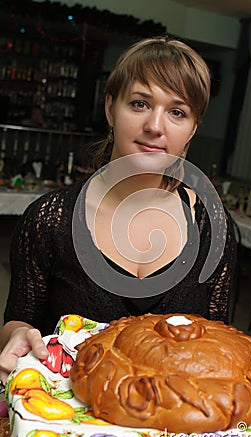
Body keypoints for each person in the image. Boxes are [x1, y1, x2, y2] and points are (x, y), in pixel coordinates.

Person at [0, 36, 236, 383]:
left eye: (177, 112)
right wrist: (17, 337)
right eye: (140, 104)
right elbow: (17, 321)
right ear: (111, 107)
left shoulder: (214, 228)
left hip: (171, 430)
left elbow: (219, 343)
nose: (155, 126)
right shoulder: (49, 219)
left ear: (192, 129)